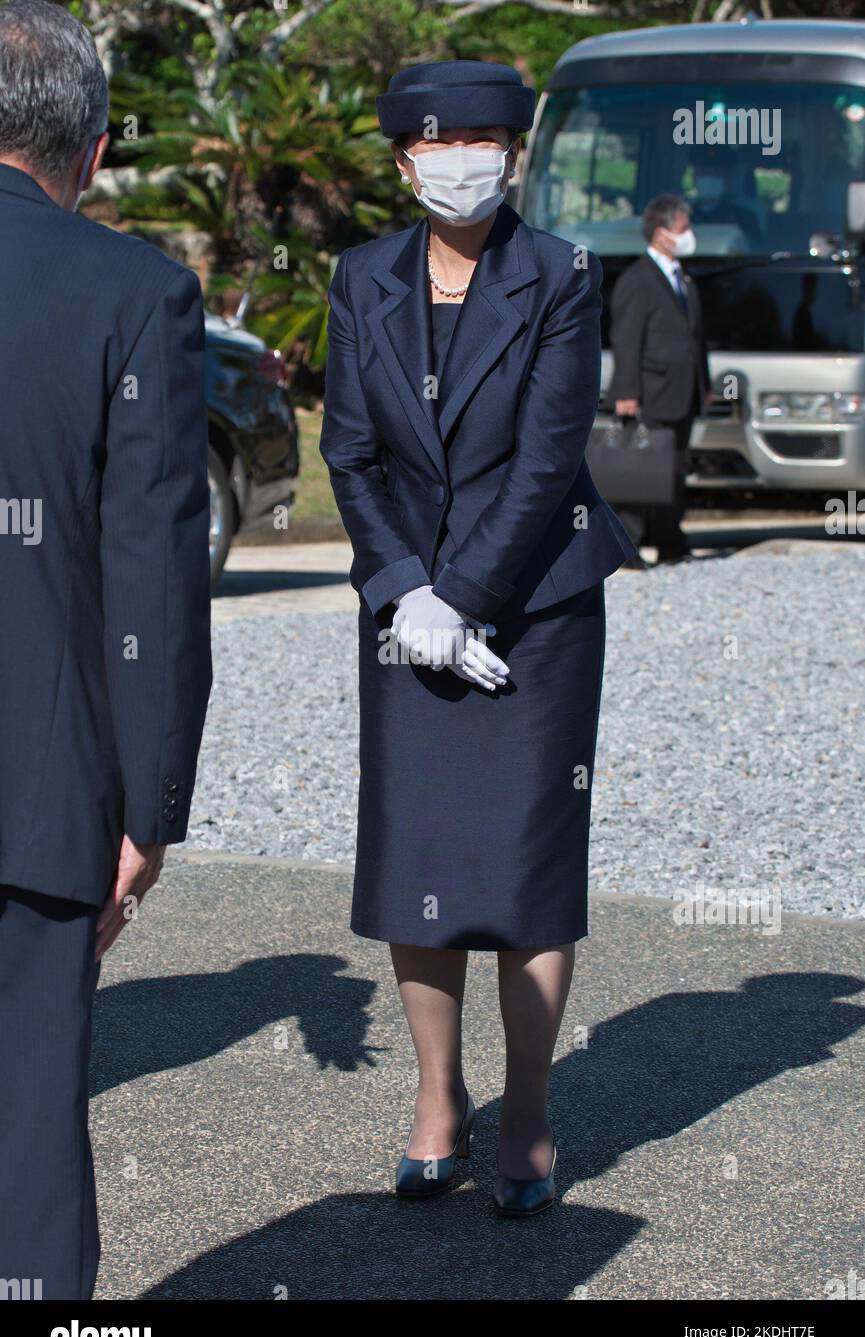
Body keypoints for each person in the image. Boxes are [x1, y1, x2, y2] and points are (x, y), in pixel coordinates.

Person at [320, 59, 634, 1217]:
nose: (465, 162)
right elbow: (348, 450)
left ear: (514, 152)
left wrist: (464, 598)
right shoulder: (361, 277)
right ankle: (438, 1098)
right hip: (405, 613)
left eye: (488, 141)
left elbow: (552, 456)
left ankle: (532, 1110)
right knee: (420, 859)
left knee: (526, 863)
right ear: (402, 162)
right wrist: (408, 592)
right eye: (440, 145)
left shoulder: (558, 273)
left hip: (537, 606)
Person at [0, 0, 211, 1298]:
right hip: (41, 783)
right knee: (26, 1119)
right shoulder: (136, 292)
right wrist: (149, 801)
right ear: (94, 148)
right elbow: (152, 574)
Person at [609, 195, 711, 563]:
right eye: (682, 229)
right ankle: (627, 545)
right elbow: (626, 339)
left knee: (674, 469)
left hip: (682, 392)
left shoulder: (683, 277)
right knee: (640, 469)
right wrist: (627, 390)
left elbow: (694, 337)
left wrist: (705, 384)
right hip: (650, 391)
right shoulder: (638, 280)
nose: (688, 236)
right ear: (661, 233)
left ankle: (670, 541)